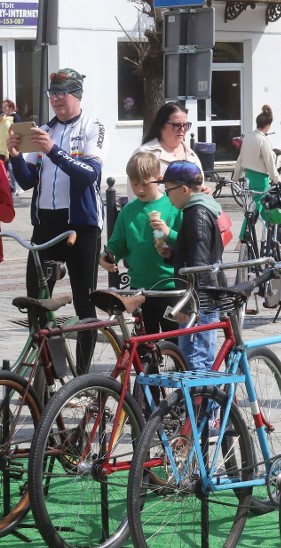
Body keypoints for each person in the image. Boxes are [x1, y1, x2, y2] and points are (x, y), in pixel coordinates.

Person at [7, 68, 107, 373]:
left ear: (77, 95)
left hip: (80, 224)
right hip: (46, 224)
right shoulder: (45, 129)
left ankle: (84, 376)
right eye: (52, 94)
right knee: (36, 302)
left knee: (84, 303)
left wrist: (54, 151)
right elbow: (27, 182)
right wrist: (13, 156)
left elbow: (90, 173)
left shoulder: (93, 126)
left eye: (62, 94)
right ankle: (47, 374)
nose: (56, 100)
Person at [155, 160, 226, 375]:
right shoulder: (195, 210)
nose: (167, 196)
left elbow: (200, 266)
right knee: (194, 359)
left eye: (168, 190)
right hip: (199, 298)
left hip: (200, 302)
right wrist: (173, 254)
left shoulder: (197, 214)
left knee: (195, 362)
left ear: (184, 189)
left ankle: (203, 407)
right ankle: (201, 407)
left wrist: (188, 307)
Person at [99, 152, 182, 334]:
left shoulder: (173, 206)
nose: (140, 190)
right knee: (145, 341)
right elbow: (117, 245)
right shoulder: (128, 211)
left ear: (159, 180)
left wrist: (169, 234)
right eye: (135, 184)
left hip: (170, 286)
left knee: (175, 338)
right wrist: (106, 257)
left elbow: (186, 242)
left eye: (145, 184)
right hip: (140, 289)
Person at [233, 104, 281, 227]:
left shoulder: (248, 137)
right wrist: (278, 180)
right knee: (261, 209)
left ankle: (245, 238)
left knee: (253, 209)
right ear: (268, 125)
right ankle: (267, 237)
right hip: (261, 178)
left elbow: (241, 158)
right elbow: (270, 163)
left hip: (249, 175)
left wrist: (235, 177)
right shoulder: (263, 140)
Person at [135, 102, 202, 183]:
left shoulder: (191, 155)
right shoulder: (144, 153)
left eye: (185, 125)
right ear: (160, 126)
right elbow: (135, 191)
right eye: (176, 125)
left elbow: (198, 185)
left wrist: (203, 193)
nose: (182, 129)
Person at [0, 99, 20, 195]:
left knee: (11, 170)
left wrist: (9, 152)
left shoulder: (14, 118)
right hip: (3, 148)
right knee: (5, 171)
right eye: (3, 107)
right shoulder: (4, 118)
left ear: (11, 108)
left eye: (5, 107)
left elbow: (15, 134)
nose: (3, 109)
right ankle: (10, 188)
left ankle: (16, 187)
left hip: (12, 148)